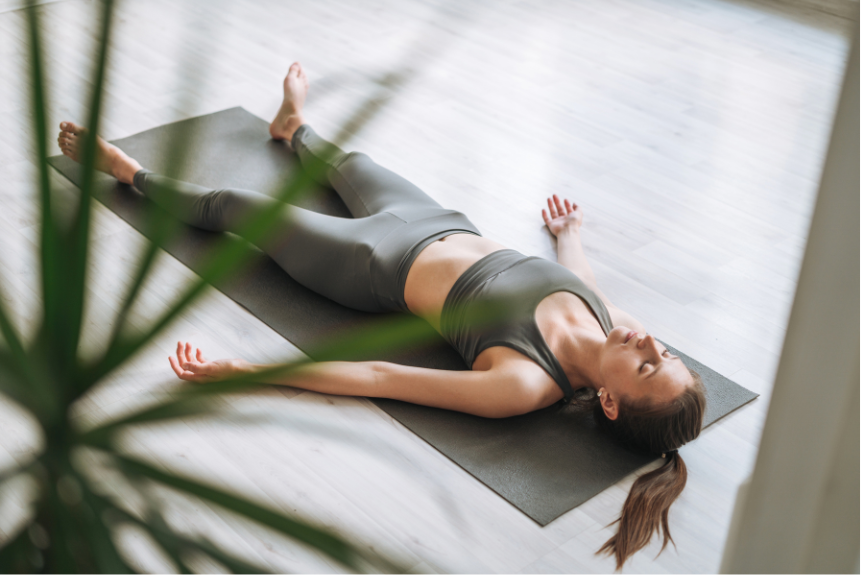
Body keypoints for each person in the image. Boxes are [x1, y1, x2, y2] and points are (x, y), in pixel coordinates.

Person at [58, 62, 706, 569]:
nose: (648, 340)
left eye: (647, 365)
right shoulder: (609, 318)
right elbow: (582, 279)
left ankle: (130, 174)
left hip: (371, 263)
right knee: (350, 164)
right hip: (440, 221)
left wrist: (251, 370)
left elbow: (377, 377)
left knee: (238, 205)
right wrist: (569, 236)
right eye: (665, 352)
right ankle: (292, 128)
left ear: (613, 403)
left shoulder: (524, 383)